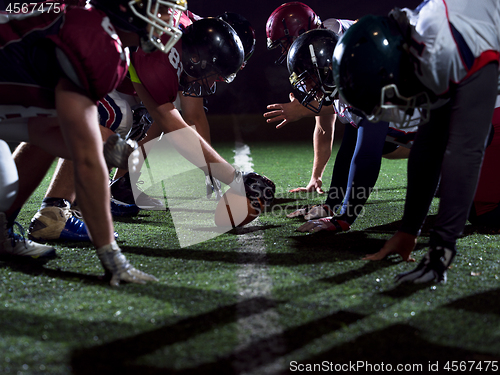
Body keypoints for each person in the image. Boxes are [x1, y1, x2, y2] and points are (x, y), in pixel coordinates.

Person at [0, 0, 188, 286]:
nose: (170, 18)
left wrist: (108, 146)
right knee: (3, 186)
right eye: (161, 9)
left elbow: (43, 126)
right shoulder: (96, 40)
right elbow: (86, 159)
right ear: (129, 6)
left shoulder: (95, 30)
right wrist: (112, 257)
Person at [333, 0, 500, 283]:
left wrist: (440, 250)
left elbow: (465, 148)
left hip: (482, 56)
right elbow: (429, 142)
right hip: (478, 48)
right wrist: (409, 230)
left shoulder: (445, 46)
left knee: (483, 204)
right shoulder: (420, 45)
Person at [265, 20, 415, 234]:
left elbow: (366, 157)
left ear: (326, 68)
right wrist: (331, 204)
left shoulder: (368, 82)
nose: (304, 86)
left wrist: (344, 218)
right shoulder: (346, 84)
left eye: (307, 77)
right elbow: (350, 146)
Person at [264, 2, 340, 194]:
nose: (283, 51)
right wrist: (316, 177)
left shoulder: (336, 45)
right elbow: (324, 124)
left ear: (300, 33)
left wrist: (302, 110)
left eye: (284, 44)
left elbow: (360, 100)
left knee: (380, 136)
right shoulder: (314, 51)